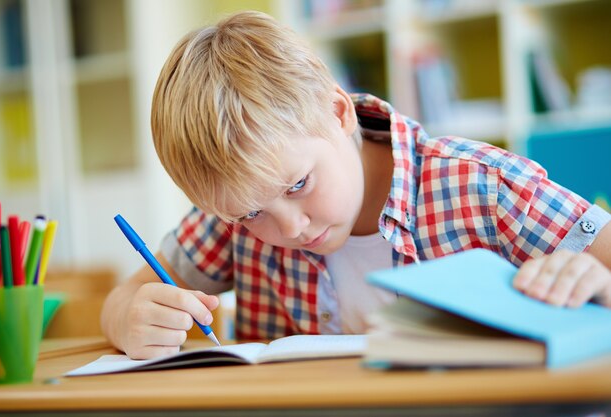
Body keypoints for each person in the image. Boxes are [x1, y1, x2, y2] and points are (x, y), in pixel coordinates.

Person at [101, 11, 611, 359]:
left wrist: (594, 281)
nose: (291, 227)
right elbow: (128, 295)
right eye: (250, 215)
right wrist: (128, 317)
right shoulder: (235, 216)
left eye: (299, 184)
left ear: (338, 111)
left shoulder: (483, 185)